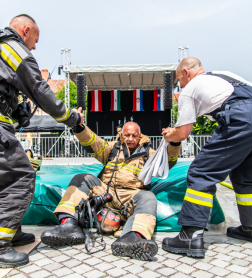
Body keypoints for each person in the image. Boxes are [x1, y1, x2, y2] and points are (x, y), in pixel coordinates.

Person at [0, 14, 84, 268]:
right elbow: (41, 92)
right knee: (20, 176)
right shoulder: (14, 50)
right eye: (35, 40)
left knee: (3, 178)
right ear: (25, 30)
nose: (34, 47)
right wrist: (70, 117)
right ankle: (2, 244)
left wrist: (15, 110)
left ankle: (11, 231)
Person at [41, 121, 181, 261]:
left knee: (148, 197)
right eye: (127, 135)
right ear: (121, 134)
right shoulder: (112, 148)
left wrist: (174, 141)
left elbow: (167, 160)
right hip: (105, 191)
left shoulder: (149, 154)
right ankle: (69, 225)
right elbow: (93, 141)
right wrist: (79, 126)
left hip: (131, 195)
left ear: (140, 136)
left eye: (134, 135)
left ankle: (133, 237)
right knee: (81, 178)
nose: (130, 138)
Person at [161, 57, 252, 258]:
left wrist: (170, 135)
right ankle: (250, 228)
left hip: (239, 119)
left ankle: (190, 235)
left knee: (201, 173)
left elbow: (183, 133)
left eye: (179, 80)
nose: (180, 85)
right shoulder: (224, 75)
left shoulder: (190, 88)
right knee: (245, 177)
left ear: (186, 72)